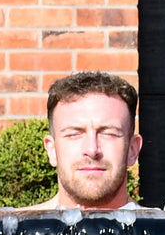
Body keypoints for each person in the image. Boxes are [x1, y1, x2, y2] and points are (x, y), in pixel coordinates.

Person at [31, 71, 142, 211]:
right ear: (52, 150)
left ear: (133, 150)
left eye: (108, 134)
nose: (92, 150)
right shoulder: (11, 229)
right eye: (74, 134)